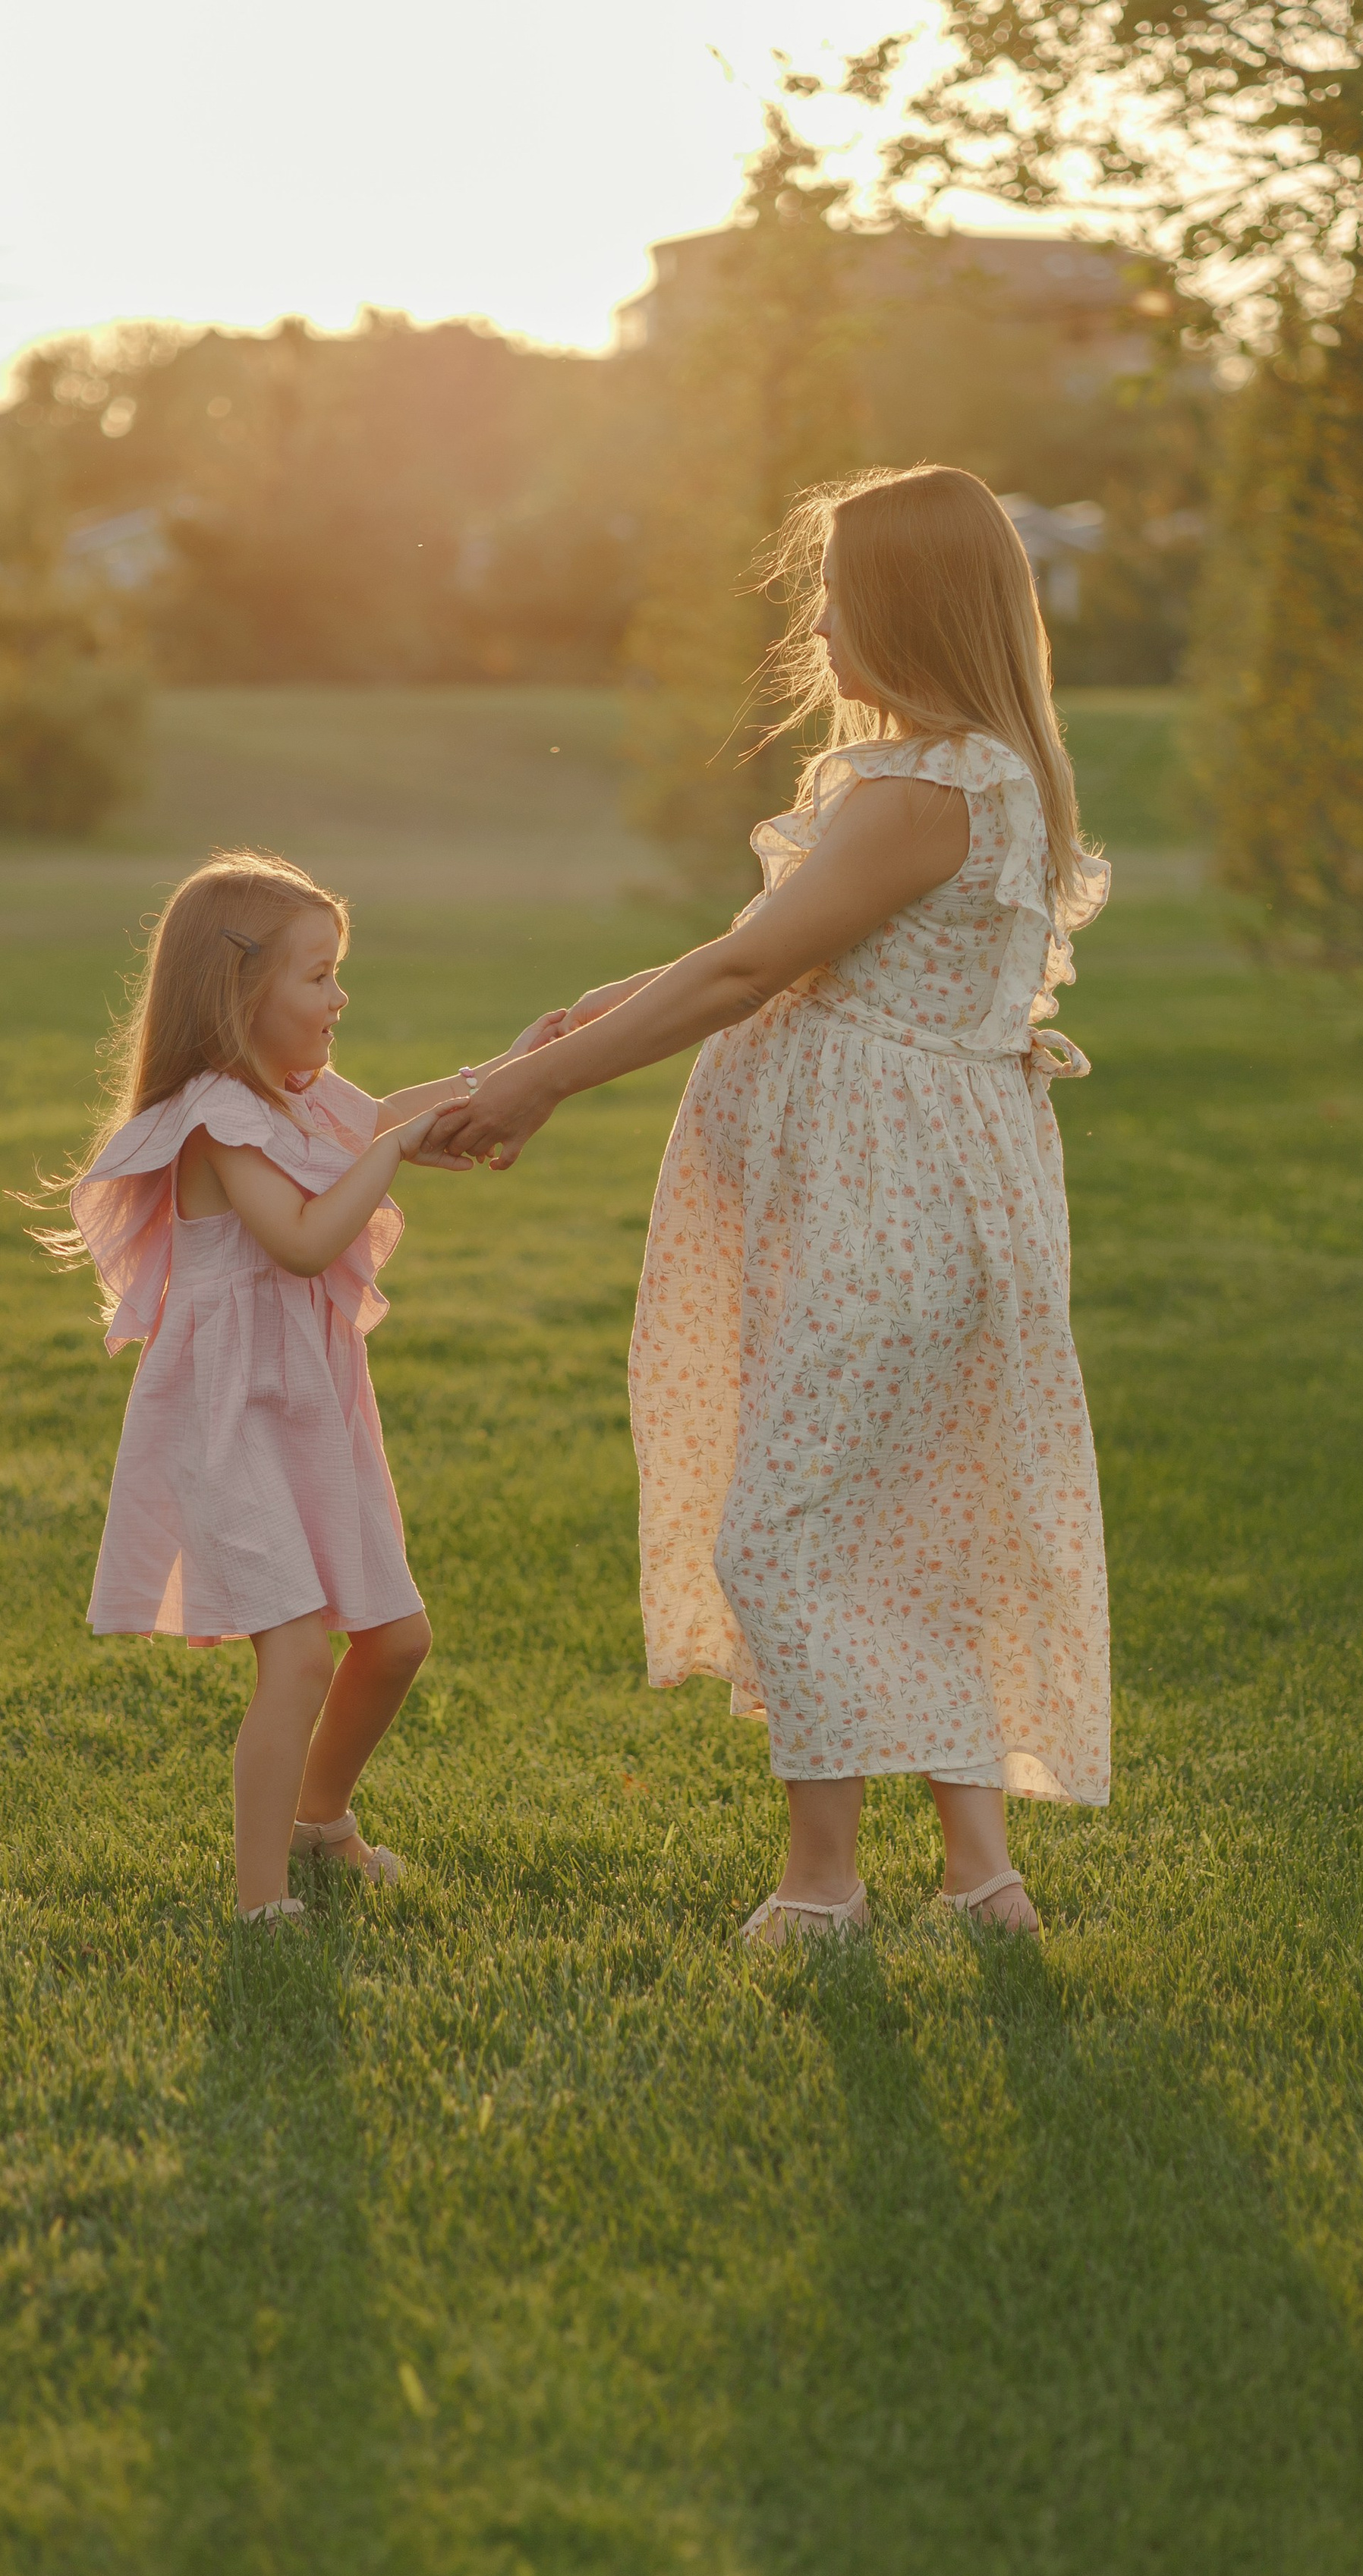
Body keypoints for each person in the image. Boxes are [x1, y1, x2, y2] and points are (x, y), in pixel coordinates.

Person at [448, 465, 1111, 1941]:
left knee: (786, 1522)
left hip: (892, 1198)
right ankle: (979, 1878)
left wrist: (550, 1089)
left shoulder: (926, 789)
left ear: (904, 612)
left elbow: (751, 975)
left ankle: (823, 1885)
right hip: (913, 1186)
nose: (811, 623)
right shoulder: (953, 775)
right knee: (902, 1510)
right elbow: (758, 947)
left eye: (832, 596)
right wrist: (587, 1016)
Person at [46, 851, 558, 1923]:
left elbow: (375, 1118)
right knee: (294, 1657)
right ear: (241, 997)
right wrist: (402, 1146)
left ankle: (321, 1823)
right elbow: (304, 1239)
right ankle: (261, 1899)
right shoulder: (216, 1121)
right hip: (228, 1415)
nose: (340, 998)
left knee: (396, 1636)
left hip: (312, 1408)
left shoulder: (289, 1096)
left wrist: (494, 1080)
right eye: (318, 976)